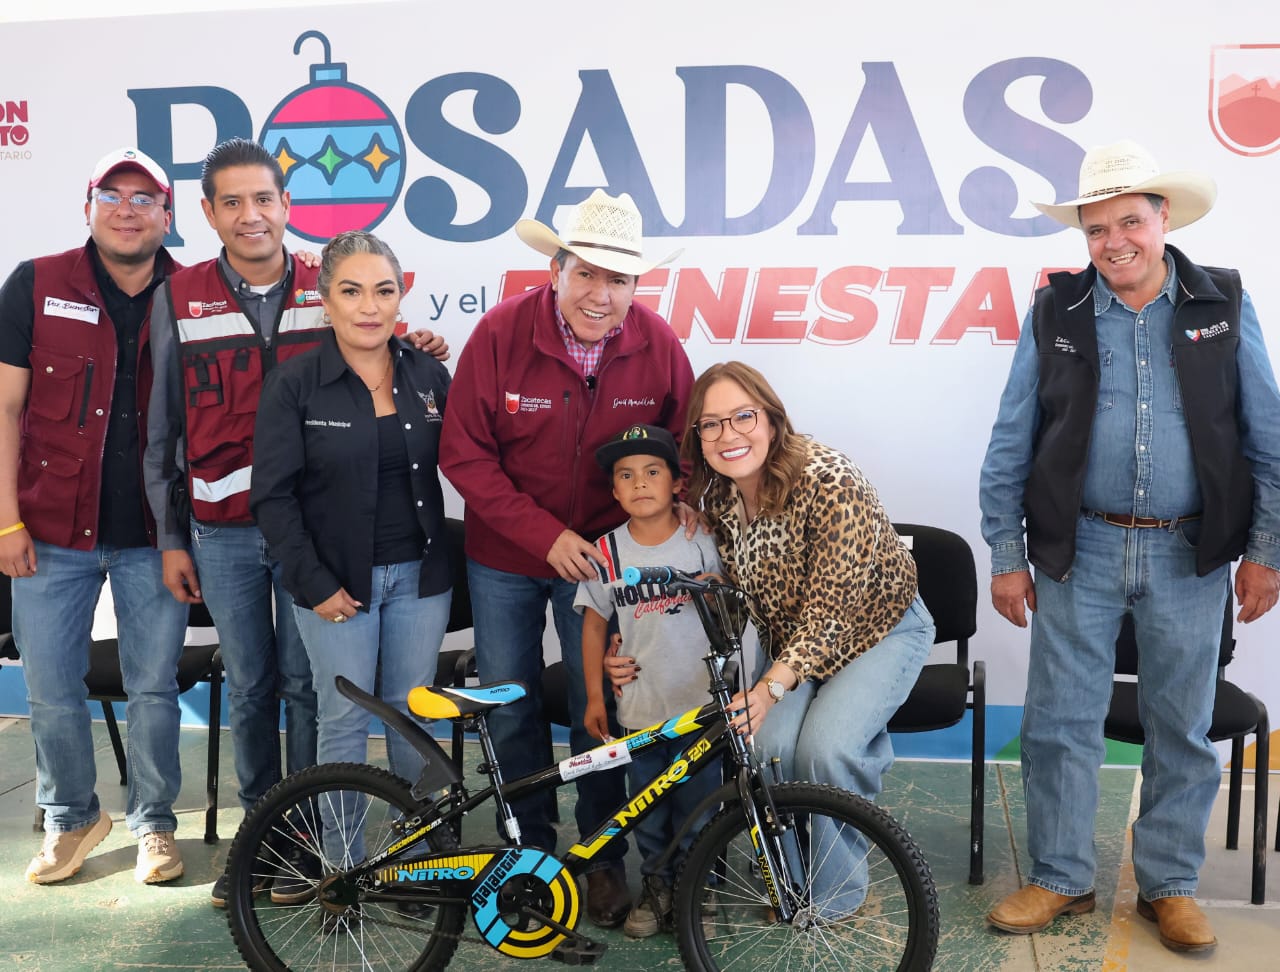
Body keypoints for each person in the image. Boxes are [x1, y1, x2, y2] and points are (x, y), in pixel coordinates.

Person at [979, 140, 1280, 954]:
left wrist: (1266, 550)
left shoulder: (1224, 302)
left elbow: (1267, 436)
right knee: (1058, 723)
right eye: (1096, 228)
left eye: (1129, 223)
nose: (1114, 242)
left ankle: (1169, 887)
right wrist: (1006, 555)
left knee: (1181, 725)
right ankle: (1061, 876)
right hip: (1080, 548)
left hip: (1190, 552)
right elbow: (1012, 439)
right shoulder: (1057, 311)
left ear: (1163, 219)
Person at [142, 138, 446, 907]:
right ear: (208, 213)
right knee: (251, 685)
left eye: (264, 199)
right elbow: (162, 429)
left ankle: (314, 841)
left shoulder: (329, 279)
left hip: (320, 531)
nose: (251, 215)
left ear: (287, 205)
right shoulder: (179, 297)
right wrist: (171, 536)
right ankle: (266, 838)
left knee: (314, 689)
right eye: (232, 202)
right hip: (224, 529)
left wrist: (418, 349)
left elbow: (377, 344)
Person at [438, 189, 694, 927]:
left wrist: (669, 518)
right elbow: (464, 453)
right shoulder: (499, 334)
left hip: (609, 562)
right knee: (512, 705)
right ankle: (528, 854)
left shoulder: (659, 345)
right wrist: (542, 535)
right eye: (585, 273)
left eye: (618, 279)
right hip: (506, 558)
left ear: (636, 287)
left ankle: (602, 859)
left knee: (601, 709)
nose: (599, 294)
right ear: (555, 270)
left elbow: (684, 452)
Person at [0, 148, 189, 885]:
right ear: (88, 208)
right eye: (112, 195)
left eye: (144, 198)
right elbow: (6, 409)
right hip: (49, 532)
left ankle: (155, 824)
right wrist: (5, 520)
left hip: (155, 536)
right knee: (50, 690)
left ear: (168, 216)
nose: (127, 209)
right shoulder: (36, 283)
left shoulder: (194, 295)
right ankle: (70, 818)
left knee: (153, 690)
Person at [672, 361, 933, 828]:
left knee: (824, 751)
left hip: (876, 632)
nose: (728, 435)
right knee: (768, 752)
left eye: (743, 416)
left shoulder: (831, 481)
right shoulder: (719, 497)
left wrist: (768, 690)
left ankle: (837, 879)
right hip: (792, 642)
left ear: (772, 420)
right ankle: (793, 875)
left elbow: (830, 615)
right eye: (711, 424)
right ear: (699, 439)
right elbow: (749, 589)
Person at [251, 230, 452, 805]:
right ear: (325, 299)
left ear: (400, 297)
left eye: (384, 291)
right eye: (351, 291)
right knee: (342, 720)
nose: (370, 307)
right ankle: (343, 858)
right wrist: (314, 583)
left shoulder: (427, 374)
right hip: (336, 585)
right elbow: (272, 497)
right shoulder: (294, 384)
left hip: (420, 579)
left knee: (414, 718)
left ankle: (423, 853)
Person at [574, 424, 724, 938]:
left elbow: (731, 606)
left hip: (700, 706)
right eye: (626, 475)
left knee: (698, 809)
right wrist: (594, 696)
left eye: (653, 471)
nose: (640, 483)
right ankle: (658, 884)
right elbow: (594, 624)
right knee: (648, 808)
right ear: (614, 491)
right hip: (640, 710)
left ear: (677, 484)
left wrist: (715, 590)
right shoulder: (606, 552)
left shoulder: (701, 540)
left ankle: (697, 888)